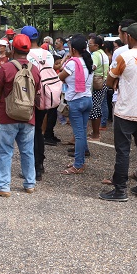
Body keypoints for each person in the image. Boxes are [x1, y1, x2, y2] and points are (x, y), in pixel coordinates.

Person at [101, 22, 137, 201]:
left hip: (125, 109)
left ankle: (120, 190)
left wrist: (117, 81)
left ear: (129, 37)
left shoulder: (124, 57)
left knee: (123, 150)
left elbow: (110, 82)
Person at [0, 34, 41, 197]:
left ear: (12, 49)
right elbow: (37, 91)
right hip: (28, 116)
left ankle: (3, 187)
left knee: (5, 151)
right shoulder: (35, 69)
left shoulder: (6, 68)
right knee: (27, 151)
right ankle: (30, 184)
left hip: (7, 115)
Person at [23, 25, 55, 179]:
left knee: (30, 132)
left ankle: (33, 167)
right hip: (46, 95)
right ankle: (40, 164)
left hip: (31, 96)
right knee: (38, 131)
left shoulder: (26, 55)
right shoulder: (48, 54)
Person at [58, 34, 93, 175]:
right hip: (87, 99)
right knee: (82, 132)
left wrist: (66, 60)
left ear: (73, 49)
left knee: (78, 135)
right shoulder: (88, 61)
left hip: (76, 101)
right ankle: (79, 161)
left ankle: (78, 165)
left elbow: (60, 77)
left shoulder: (72, 63)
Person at [87, 34, 108, 140]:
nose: (88, 46)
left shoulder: (95, 54)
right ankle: (96, 132)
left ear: (96, 45)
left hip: (96, 83)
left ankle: (95, 134)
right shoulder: (104, 54)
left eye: (90, 44)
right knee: (98, 107)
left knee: (94, 108)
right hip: (103, 82)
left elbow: (93, 66)